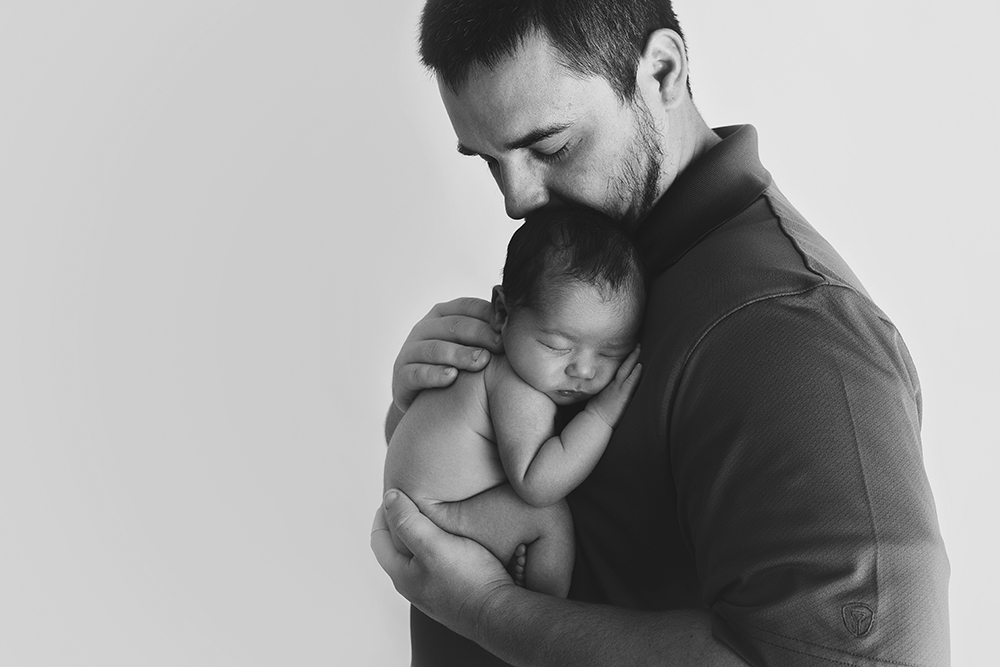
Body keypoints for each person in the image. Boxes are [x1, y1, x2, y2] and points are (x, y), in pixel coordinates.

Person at [371, 1, 950, 665]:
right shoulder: (597, 260)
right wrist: (425, 400)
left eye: (551, 145)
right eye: (490, 159)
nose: (517, 199)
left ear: (664, 70)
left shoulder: (791, 330)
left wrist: (488, 609)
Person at [384, 207, 644, 598]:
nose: (585, 371)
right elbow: (537, 484)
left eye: (610, 353)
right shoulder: (516, 386)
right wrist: (601, 416)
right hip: (432, 520)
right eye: (558, 346)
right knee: (549, 517)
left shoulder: (481, 362)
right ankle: (542, 612)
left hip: (417, 507)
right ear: (502, 313)